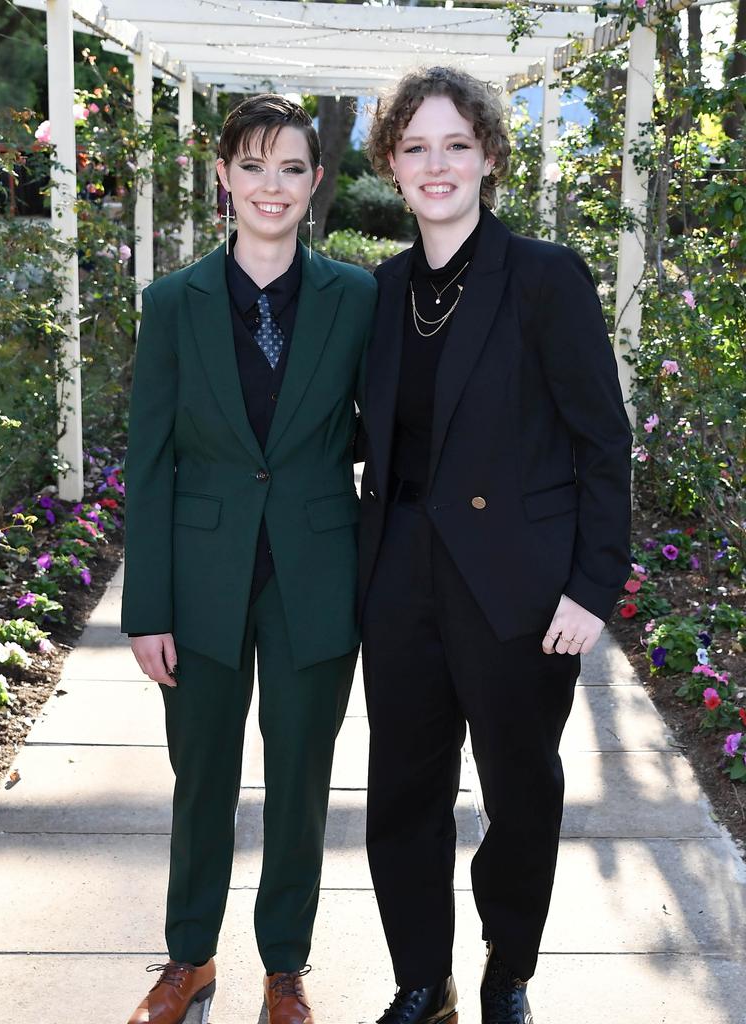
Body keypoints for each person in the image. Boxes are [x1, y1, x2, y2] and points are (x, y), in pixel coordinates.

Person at [358, 67, 633, 1024]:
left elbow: (604, 439)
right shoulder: (382, 291)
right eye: (418, 146)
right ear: (393, 163)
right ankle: (419, 979)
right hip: (400, 576)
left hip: (518, 587)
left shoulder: (546, 277)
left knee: (520, 792)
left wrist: (594, 585)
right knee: (401, 791)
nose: (438, 165)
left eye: (457, 145)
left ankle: (506, 969)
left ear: (488, 157)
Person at [121, 94, 376, 1024]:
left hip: (317, 572)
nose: (273, 186)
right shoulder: (172, 303)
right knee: (203, 780)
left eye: (293, 168)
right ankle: (190, 957)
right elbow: (147, 464)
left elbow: (381, 432)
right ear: (222, 177)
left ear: (316, 183)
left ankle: (284, 969)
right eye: (255, 166)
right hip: (200, 580)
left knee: (302, 778)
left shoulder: (357, 298)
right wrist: (145, 607)